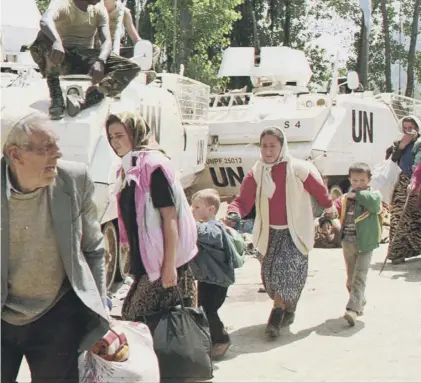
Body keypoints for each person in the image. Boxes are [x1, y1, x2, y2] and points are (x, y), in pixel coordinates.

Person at [1, 107, 109, 382]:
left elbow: (93, 249)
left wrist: (100, 313)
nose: (57, 154)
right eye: (46, 148)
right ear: (15, 154)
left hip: (56, 315)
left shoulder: (74, 180)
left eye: (56, 145)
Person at [226, 127, 334, 339]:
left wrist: (330, 210)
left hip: (295, 233)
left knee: (288, 273)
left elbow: (320, 191)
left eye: (272, 146)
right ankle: (287, 308)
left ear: (282, 146)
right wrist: (233, 212)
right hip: (269, 234)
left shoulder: (299, 169)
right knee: (270, 280)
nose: (268, 151)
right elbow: (243, 200)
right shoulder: (257, 172)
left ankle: (275, 317)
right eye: (264, 146)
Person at [105, 111, 197, 332]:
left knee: (137, 318)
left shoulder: (154, 166)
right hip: (148, 259)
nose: (115, 142)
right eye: (111, 137)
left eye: (120, 135)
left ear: (135, 133)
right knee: (147, 323)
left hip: (165, 261)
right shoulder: (128, 168)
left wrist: (169, 266)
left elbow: (170, 217)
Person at [30, 0, 140, 120]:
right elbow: (45, 20)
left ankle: (88, 99)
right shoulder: (63, 4)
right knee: (42, 39)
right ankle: (56, 96)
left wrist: (101, 60)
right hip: (61, 58)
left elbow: (107, 41)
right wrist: (56, 41)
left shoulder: (99, 10)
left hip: (86, 60)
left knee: (131, 67)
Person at [190, 189, 237, 359]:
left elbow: (206, 234)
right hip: (208, 278)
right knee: (204, 309)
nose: (192, 210)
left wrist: (187, 222)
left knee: (209, 310)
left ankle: (222, 339)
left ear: (211, 209)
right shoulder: (207, 225)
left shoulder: (214, 227)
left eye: (196, 207)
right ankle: (211, 339)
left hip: (218, 280)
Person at [333, 163, 382, 326]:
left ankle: (352, 309)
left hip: (366, 243)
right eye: (355, 180)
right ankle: (360, 299)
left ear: (369, 180)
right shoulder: (346, 197)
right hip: (348, 241)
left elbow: (375, 205)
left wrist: (358, 196)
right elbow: (336, 208)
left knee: (359, 276)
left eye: (362, 180)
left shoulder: (373, 195)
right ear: (349, 180)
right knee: (351, 277)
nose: (358, 184)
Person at [385, 116, 421, 264]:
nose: (408, 131)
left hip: (417, 186)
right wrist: (401, 147)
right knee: (398, 217)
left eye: (411, 128)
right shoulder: (398, 144)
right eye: (405, 128)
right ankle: (396, 252)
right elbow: (390, 161)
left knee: (415, 219)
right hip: (401, 185)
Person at [102, 0, 161, 69]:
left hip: (117, 52)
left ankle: (147, 71)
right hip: (99, 52)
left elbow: (135, 38)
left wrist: (145, 47)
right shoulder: (95, 10)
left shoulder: (124, 12)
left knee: (154, 49)